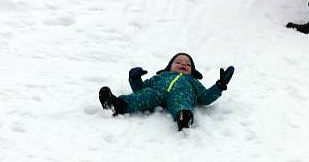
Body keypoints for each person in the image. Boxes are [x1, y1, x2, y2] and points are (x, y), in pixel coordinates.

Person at [98, 52, 235, 131]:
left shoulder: (193, 81)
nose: (183, 65)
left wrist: (219, 86)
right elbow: (140, 89)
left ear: (192, 71)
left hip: (181, 93)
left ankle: (184, 118)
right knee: (144, 96)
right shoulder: (159, 77)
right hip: (157, 91)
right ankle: (116, 104)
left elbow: (205, 98)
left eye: (188, 65)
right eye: (178, 62)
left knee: (181, 102)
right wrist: (135, 78)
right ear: (169, 67)